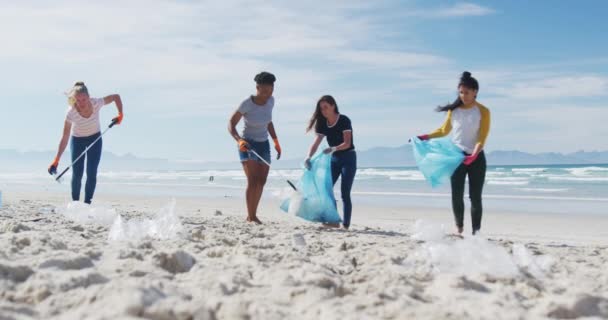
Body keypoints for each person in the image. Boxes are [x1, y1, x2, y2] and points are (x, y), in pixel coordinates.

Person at [417, 72, 490, 235]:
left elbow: (482, 136)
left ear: (475, 92)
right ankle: (459, 227)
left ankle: (476, 231)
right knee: (456, 195)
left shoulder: (483, 111)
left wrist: (474, 155)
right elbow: (444, 131)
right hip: (456, 157)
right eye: (461, 92)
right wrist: (426, 136)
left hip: (476, 158)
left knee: (475, 197)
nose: (463, 96)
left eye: (467, 92)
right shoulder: (454, 111)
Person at [48, 82, 124, 204]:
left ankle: (87, 204)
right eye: (78, 100)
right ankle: (75, 205)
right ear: (74, 100)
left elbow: (116, 97)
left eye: (84, 99)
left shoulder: (96, 103)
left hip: (95, 139)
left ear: (89, 97)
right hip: (77, 141)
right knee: (77, 174)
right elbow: (65, 137)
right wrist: (56, 160)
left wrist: (120, 114)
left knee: (91, 173)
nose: (81, 103)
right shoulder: (70, 113)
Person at [228, 72, 282, 224]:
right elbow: (231, 123)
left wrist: (276, 141)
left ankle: (253, 214)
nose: (267, 94)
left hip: (264, 144)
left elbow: (269, 122)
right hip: (248, 144)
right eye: (264, 91)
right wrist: (239, 140)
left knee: (262, 181)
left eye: (270, 90)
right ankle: (251, 216)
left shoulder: (271, 101)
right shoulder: (247, 104)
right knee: (252, 181)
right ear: (257, 88)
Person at [304, 95, 356, 229]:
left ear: (333, 106)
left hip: (348, 158)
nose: (323, 111)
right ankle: (333, 220)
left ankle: (346, 225)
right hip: (334, 159)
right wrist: (308, 157)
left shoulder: (344, 120)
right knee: (326, 189)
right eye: (321, 109)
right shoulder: (322, 124)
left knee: (345, 192)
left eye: (326, 107)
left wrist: (333, 148)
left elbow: (347, 143)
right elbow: (316, 143)